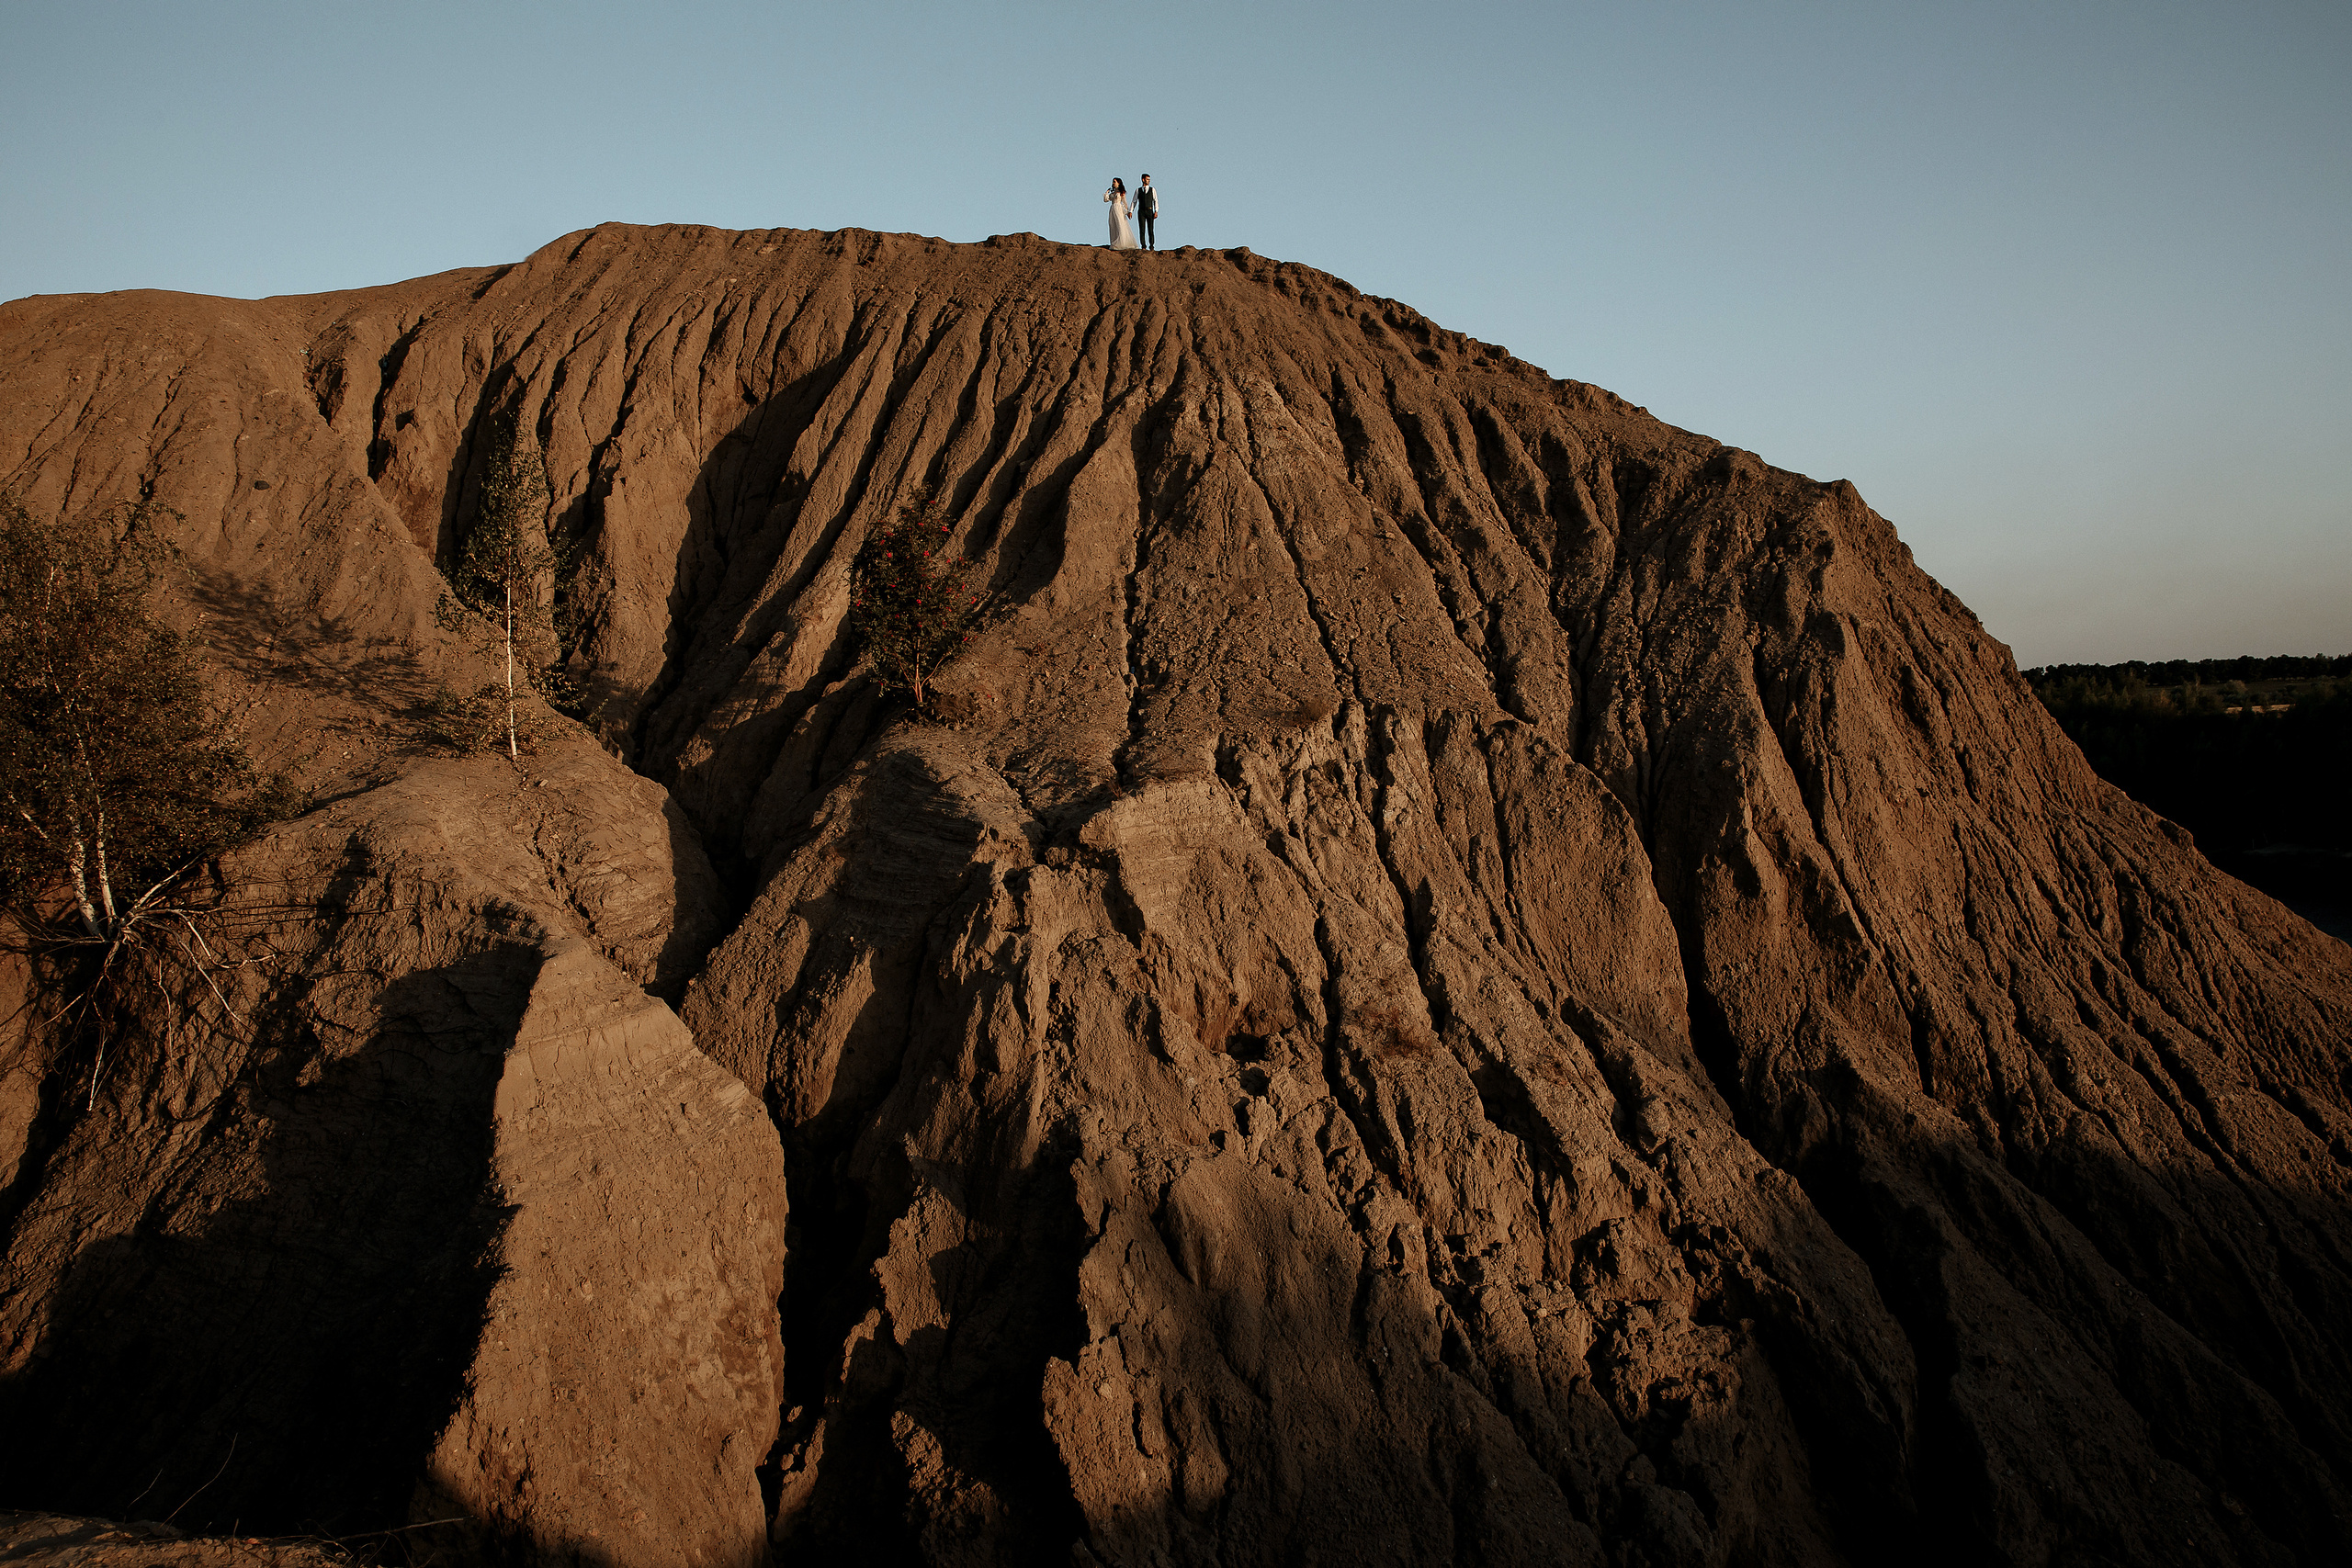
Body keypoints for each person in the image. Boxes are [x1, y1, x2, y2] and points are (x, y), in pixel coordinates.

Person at [1104, 178, 1138, 251]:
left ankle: (1122, 242)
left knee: (1120, 224)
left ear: (1118, 183)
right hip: (1112, 209)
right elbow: (1106, 200)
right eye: (1113, 182)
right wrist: (1107, 193)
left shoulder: (1121, 192)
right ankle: (1115, 242)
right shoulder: (1113, 192)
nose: (1113, 183)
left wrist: (1128, 212)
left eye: (1114, 182)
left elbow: (1124, 202)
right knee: (1113, 225)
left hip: (1118, 209)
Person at [1136, 175, 1159, 250]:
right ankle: (1143, 246)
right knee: (1142, 229)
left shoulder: (1152, 190)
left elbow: (1155, 200)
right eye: (1147, 179)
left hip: (1149, 210)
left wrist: (1156, 211)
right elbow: (1134, 201)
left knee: (1150, 229)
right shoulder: (1138, 190)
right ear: (1143, 180)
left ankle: (1151, 245)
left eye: (1149, 179)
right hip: (1141, 211)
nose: (1149, 181)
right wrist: (1130, 211)